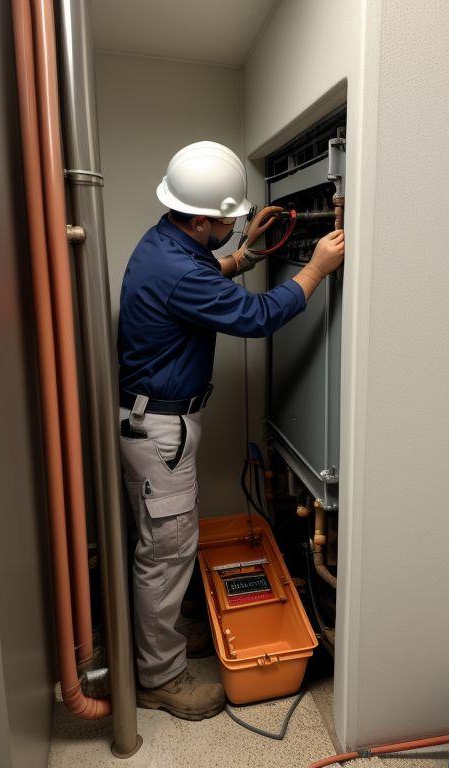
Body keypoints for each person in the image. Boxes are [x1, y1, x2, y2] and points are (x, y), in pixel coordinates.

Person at [118, 141, 344, 720]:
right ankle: (159, 678)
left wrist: (245, 252)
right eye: (226, 219)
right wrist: (317, 267)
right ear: (199, 220)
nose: (232, 224)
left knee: (170, 544)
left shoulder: (165, 241)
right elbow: (257, 316)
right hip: (159, 431)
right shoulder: (176, 263)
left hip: (158, 424)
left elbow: (205, 271)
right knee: (165, 554)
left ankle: (162, 640)